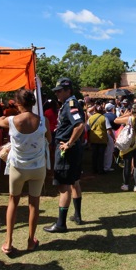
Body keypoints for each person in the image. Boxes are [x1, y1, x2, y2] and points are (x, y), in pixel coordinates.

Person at [0, 89, 51, 254]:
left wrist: (9, 111)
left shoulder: (11, 120)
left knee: (13, 201)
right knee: (34, 204)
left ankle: (8, 241)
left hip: (18, 168)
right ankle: (30, 240)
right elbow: (49, 139)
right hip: (37, 167)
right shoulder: (43, 120)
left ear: (18, 103)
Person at [44, 77, 85, 232]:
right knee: (74, 182)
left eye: (60, 91)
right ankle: (77, 215)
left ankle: (61, 224)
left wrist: (69, 143)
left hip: (67, 151)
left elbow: (79, 124)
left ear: (68, 90)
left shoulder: (71, 104)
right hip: (72, 150)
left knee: (64, 186)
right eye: (56, 91)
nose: (57, 94)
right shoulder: (69, 104)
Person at [114, 104, 136, 192]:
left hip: (129, 144)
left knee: (127, 165)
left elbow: (116, 120)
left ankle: (126, 185)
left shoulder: (130, 119)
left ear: (132, 111)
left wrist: (125, 114)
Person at [87, 103, 109, 175]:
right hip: (102, 138)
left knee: (94, 155)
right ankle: (100, 170)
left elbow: (88, 129)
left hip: (93, 138)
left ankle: (94, 169)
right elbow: (108, 129)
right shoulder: (104, 118)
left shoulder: (90, 118)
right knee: (101, 155)